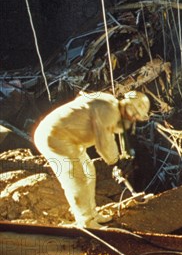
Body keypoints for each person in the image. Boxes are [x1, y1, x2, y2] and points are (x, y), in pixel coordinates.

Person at [34, 91, 150, 228]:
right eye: (135, 115)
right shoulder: (109, 111)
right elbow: (104, 143)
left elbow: (106, 131)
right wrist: (116, 162)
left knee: (89, 172)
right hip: (54, 137)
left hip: (70, 138)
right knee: (77, 179)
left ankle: (92, 214)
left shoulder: (110, 102)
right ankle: (86, 222)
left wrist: (116, 160)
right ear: (130, 107)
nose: (133, 119)